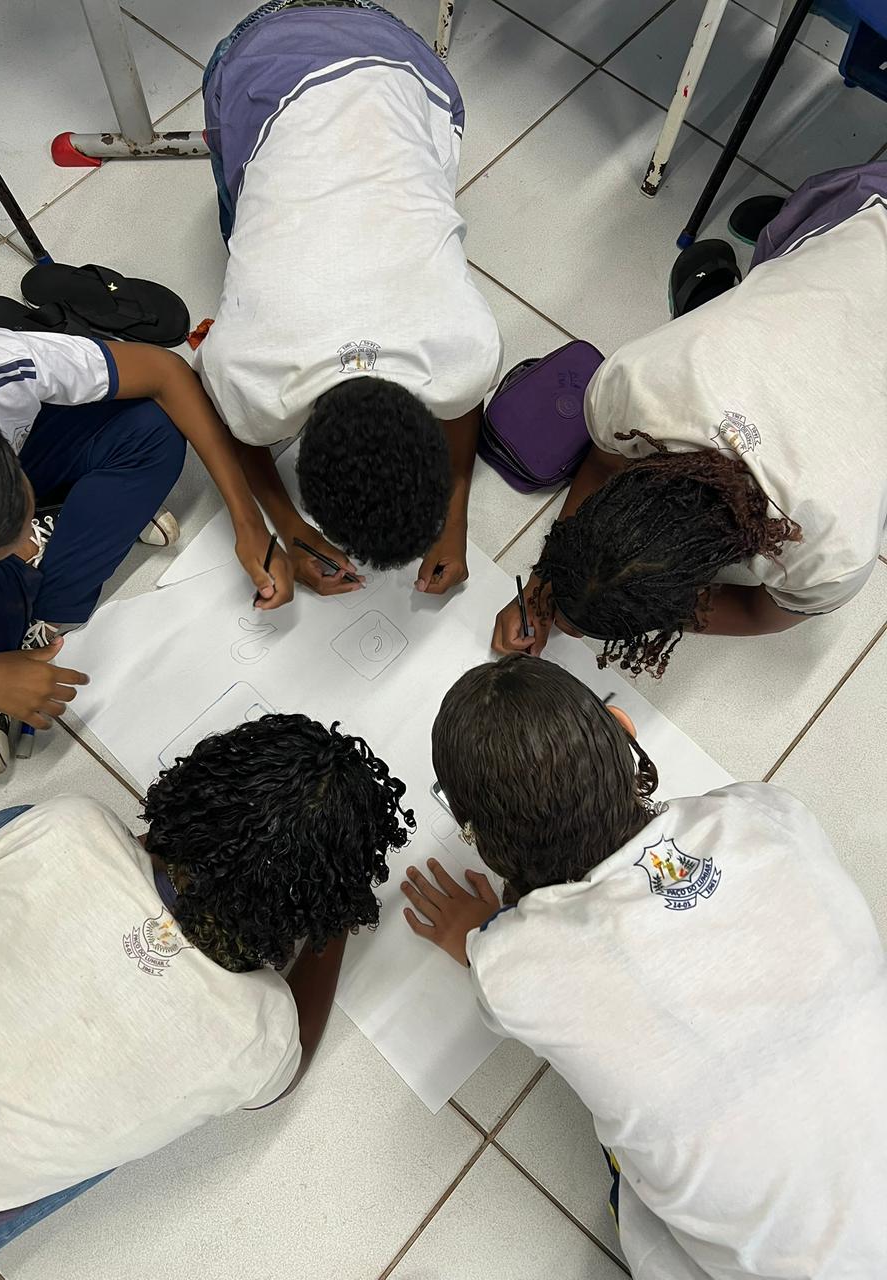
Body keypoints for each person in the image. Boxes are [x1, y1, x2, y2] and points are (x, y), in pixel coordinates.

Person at [401, 655, 887, 1280]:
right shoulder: (763, 812)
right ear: (625, 728)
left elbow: (497, 958)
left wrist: (481, 933)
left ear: (476, 836)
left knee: (643, 1197)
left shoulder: (509, 969)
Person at [0, 712, 413, 1278]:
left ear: (195, 787)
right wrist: (335, 924)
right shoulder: (262, 1033)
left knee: (13, 837)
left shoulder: (71, 825)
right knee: (98, 1134)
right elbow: (290, 1064)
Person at [493, 162, 887, 677]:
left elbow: (760, 613)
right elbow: (603, 465)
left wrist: (631, 605)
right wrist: (548, 586)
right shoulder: (635, 386)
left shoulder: (827, 555)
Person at [196, 0, 503, 600]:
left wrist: (454, 520)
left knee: (253, 215)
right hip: (298, 55)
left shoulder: (466, 347)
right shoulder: (251, 372)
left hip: (398, 61)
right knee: (240, 217)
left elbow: (463, 396)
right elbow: (225, 414)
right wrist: (285, 525)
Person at [0, 327, 292, 774]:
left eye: (22, 515)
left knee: (151, 427)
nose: (21, 537)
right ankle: (71, 523)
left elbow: (166, 373)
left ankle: (49, 543)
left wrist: (247, 519)